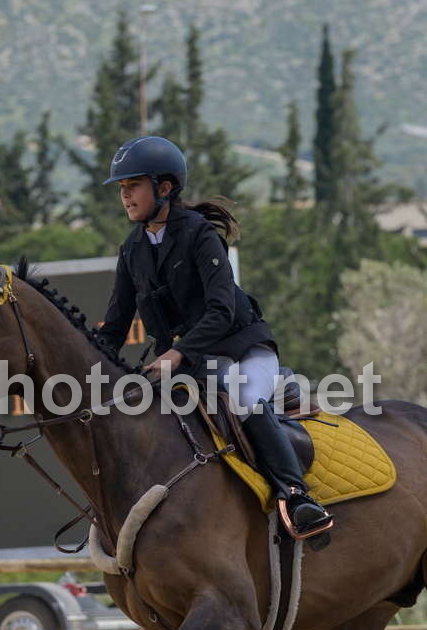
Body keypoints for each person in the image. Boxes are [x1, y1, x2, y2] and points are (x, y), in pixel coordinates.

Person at [98, 135, 333, 546]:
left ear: (164, 187)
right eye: (122, 188)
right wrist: (88, 366)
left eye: (133, 185)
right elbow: (116, 325)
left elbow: (221, 311)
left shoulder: (200, 234)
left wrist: (177, 352)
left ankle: (298, 497)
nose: (126, 196)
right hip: (191, 365)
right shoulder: (132, 249)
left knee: (243, 398)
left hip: (242, 349)